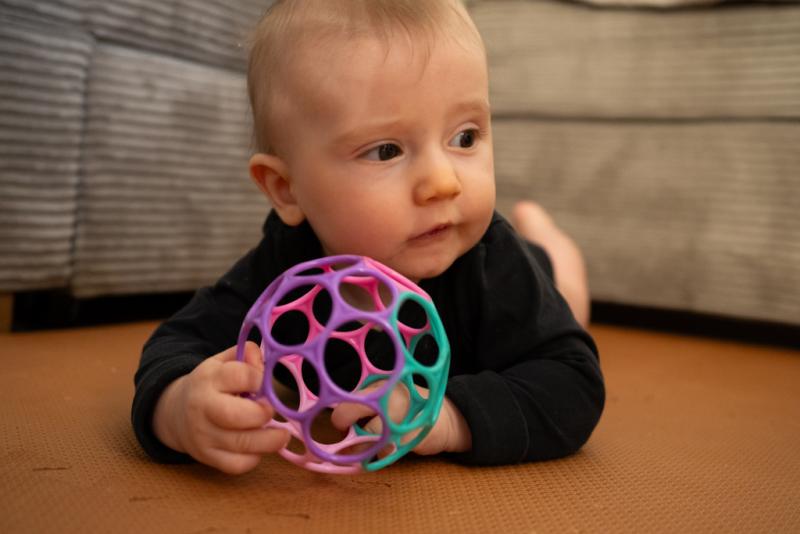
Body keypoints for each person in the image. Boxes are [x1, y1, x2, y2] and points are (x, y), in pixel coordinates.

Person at [132, 0, 604, 475]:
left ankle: (554, 249)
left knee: (565, 294)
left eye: (465, 137)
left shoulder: (491, 261)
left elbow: (572, 382)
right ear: (286, 189)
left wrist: (448, 417)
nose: (443, 183)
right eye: (386, 151)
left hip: (533, 277)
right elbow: (179, 341)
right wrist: (177, 406)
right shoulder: (284, 265)